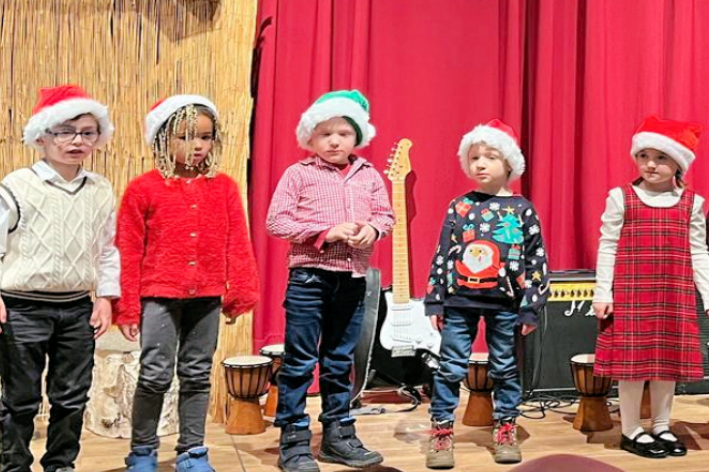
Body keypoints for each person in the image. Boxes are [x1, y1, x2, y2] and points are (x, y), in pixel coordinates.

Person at [116, 95, 259, 472]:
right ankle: (143, 451)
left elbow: (237, 241)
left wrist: (240, 291)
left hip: (207, 296)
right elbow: (127, 249)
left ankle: (192, 451)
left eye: (205, 137)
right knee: (154, 373)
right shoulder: (143, 189)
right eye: (185, 137)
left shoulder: (223, 188)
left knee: (196, 374)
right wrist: (127, 307)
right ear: (163, 138)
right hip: (158, 297)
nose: (197, 146)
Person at [266, 90, 394, 472]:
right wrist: (325, 232)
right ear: (311, 138)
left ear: (358, 136)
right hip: (309, 279)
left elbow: (386, 216)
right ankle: (293, 441)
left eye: (343, 133)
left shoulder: (369, 175)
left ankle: (338, 435)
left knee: (339, 361)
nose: (335, 141)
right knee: (300, 361)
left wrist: (373, 230)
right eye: (325, 134)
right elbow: (277, 221)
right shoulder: (299, 174)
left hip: (352, 280)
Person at [0, 84, 119, 472]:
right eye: (65, 131)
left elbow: (107, 249)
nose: (77, 141)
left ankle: (61, 464)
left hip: (76, 308)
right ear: (42, 136)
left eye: (87, 132)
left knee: (71, 397)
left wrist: (105, 297)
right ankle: (14, 466)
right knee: (20, 399)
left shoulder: (100, 189)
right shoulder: (17, 186)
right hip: (22, 308)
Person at [424, 119, 549, 468]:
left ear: (509, 163)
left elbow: (537, 260)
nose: (481, 163)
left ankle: (506, 428)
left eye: (491, 157)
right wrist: (435, 299)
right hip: (459, 301)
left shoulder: (523, 209)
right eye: (475, 157)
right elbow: (443, 253)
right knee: (450, 367)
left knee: (505, 366)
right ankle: (441, 432)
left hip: (506, 303)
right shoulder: (459, 206)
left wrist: (531, 307)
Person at [593, 115, 709, 459]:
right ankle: (631, 430)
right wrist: (603, 292)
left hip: (674, 296)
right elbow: (607, 245)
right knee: (632, 366)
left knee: (667, 364)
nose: (650, 164)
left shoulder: (692, 203)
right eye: (644, 156)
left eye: (661, 157)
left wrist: (707, 293)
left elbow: (699, 251)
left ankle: (661, 425)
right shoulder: (621, 197)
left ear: (679, 163)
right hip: (632, 295)